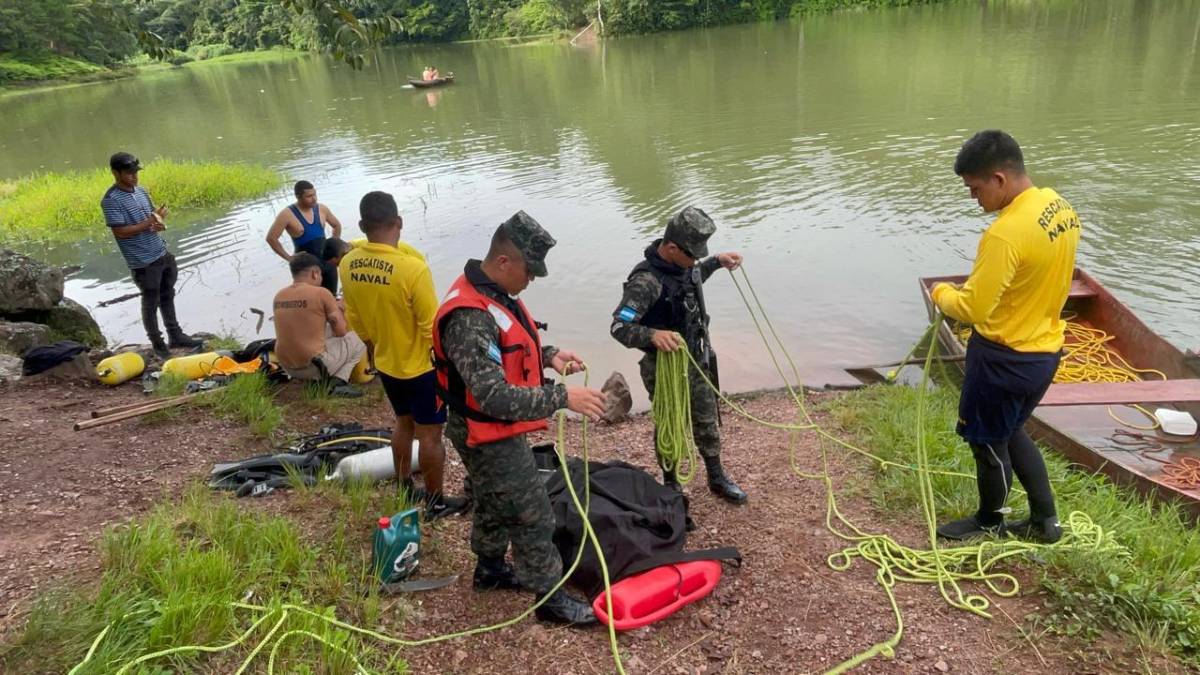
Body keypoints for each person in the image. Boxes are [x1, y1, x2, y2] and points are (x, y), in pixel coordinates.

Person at [432, 211, 606, 625]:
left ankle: (490, 569)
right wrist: (561, 396)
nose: (533, 280)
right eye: (530, 271)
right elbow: (491, 395)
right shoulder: (469, 316)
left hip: (487, 424)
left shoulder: (494, 295)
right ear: (505, 262)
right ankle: (549, 598)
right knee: (532, 511)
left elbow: (506, 346)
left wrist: (548, 356)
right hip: (482, 426)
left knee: (493, 498)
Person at [931, 130, 1081, 544]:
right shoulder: (1059, 207)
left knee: (986, 442)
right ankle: (1045, 520)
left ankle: (988, 520)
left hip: (1004, 357)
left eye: (975, 189)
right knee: (1013, 431)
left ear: (999, 179)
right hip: (1045, 352)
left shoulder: (1005, 233)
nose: (973, 198)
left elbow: (974, 309)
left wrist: (942, 293)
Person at [339, 191, 467, 520]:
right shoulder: (412, 270)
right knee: (431, 434)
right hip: (422, 367)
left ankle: (404, 484)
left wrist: (371, 345)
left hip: (385, 360)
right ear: (398, 222)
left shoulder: (348, 263)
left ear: (362, 225)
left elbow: (353, 315)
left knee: (402, 424)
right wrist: (451, 366)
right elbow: (432, 328)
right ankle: (436, 501)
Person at [610, 206, 747, 504]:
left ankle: (716, 476)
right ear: (672, 248)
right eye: (692, 255)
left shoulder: (685, 266)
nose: (695, 261)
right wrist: (652, 336)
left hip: (696, 360)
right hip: (663, 366)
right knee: (670, 421)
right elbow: (619, 327)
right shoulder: (645, 282)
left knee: (706, 417)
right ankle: (671, 484)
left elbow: (695, 276)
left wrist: (717, 262)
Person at [100, 152, 202, 359]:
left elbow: (150, 220)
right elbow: (120, 231)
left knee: (168, 293)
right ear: (115, 173)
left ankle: (175, 335)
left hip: (160, 251)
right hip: (142, 261)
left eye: (136, 172)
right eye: (129, 173)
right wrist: (148, 222)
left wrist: (158, 221)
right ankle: (158, 343)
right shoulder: (110, 200)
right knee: (150, 301)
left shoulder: (141, 192)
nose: (134, 177)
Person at [272, 252, 364, 398]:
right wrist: (339, 308)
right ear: (315, 273)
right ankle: (337, 382)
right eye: (320, 274)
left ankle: (317, 380)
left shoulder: (279, 295)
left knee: (325, 331)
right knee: (358, 340)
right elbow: (341, 331)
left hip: (286, 366)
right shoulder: (321, 293)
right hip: (313, 367)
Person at [266, 181, 343, 296]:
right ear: (298, 196)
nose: (314, 199)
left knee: (331, 296)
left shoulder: (322, 209)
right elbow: (271, 238)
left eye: (315, 194)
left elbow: (337, 225)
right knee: (309, 300)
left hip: (327, 263)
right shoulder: (287, 214)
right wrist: (289, 258)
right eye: (309, 196)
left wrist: (333, 247)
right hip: (305, 267)